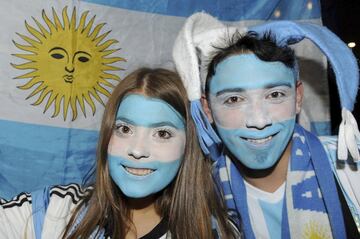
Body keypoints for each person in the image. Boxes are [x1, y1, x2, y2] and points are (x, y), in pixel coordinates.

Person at [173, 13, 360, 238]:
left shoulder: (350, 165)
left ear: (298, 98)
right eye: (233, 99)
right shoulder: (200, 197)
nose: (259, 121)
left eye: (275, 94)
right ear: (208, 109)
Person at [0, 68, 239, 239]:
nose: (137, 150)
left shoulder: (214, 232)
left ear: (189, 146)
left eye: (163, 134)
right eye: (124, 129)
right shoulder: (54, 210)